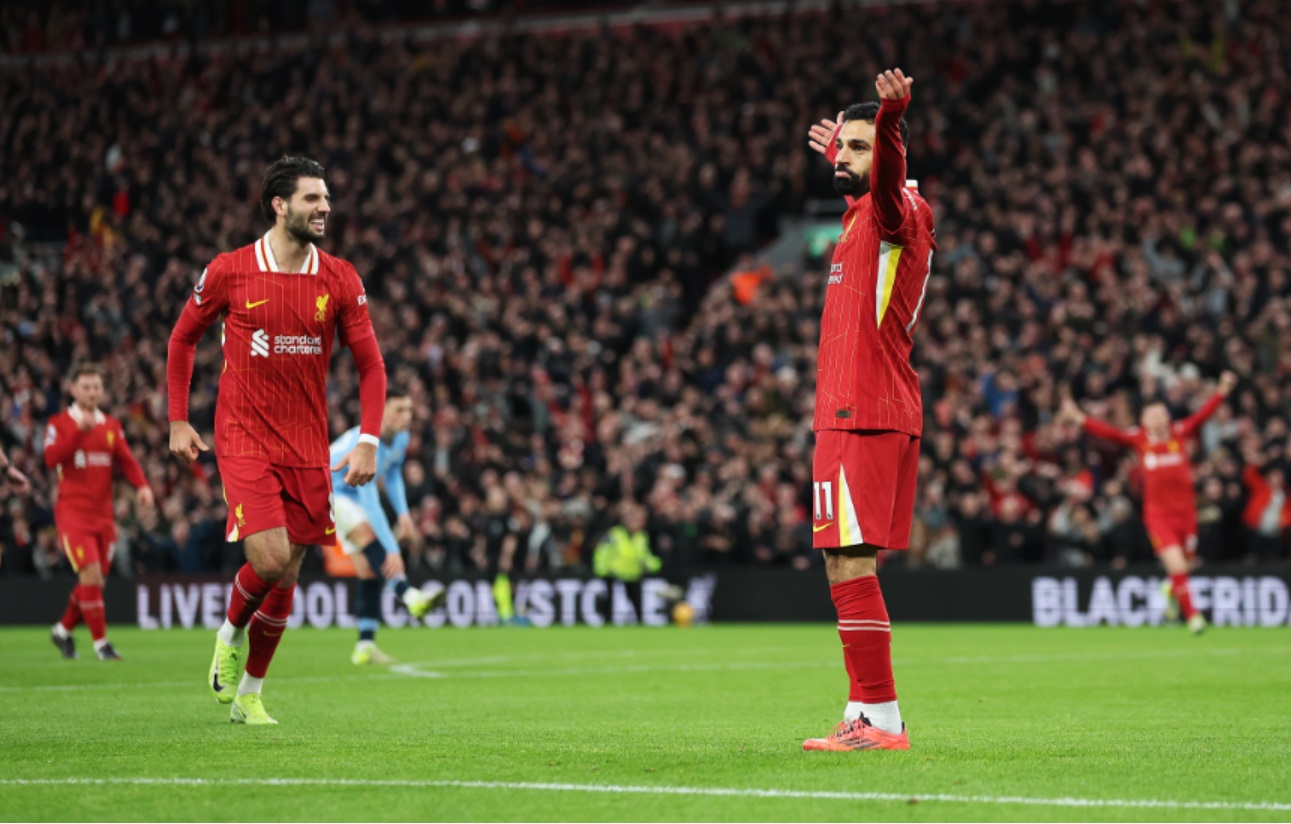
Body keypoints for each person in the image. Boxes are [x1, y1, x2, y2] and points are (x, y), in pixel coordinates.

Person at [167, 156, 387, 725]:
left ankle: (251, 694)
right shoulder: (230, 271)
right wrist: (177, 419)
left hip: (307, 442)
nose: (325, 207)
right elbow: (182, 339)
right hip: (242, 435)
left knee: (288, 572)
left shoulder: (340, 277)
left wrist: (368, 439)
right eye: (313, 198)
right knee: (266, 558)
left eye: (327, 198)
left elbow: (371, 365)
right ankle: (228, 632)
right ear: (279, 204)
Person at [798, 68, 936, 751]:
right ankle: (864, 710)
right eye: (839, 149)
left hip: (866, 410)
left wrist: (889, 122)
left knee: (849, 558)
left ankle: (881, 719)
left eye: (857, 148)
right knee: (841, 561)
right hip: (845, 412)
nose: (843, 158)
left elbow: (885, 183)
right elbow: (864, 181)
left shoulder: (899, 213)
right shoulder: (858, 219)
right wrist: (848, 149)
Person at [1059, 370, 1237, 634]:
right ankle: (1193, 617)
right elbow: (1108, 432)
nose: (1158, 417)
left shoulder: (1179, 433)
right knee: (1176, 565)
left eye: (1162, 413)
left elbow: (1202, 415)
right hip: (1158, 515)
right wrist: (1079, 417)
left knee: (1184, 567)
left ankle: (1170, 590)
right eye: (1152, 414)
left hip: (1186, 513)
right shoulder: (1139, 440)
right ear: (1144, 420)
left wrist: (1222, 389)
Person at [43, 363, 155, 660]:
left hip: (103, 516)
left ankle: (62, 631)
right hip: (73, 513)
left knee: (93, 583)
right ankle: (101, 645)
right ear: (73, 389)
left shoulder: (111, 426)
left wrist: (142, 486)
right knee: (91, 577)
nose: (92, 392)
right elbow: (50, 457)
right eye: (86, 387)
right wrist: (77, 434)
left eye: (96, 387)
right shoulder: (59, 423)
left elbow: (128, 460)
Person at [329, 388, 441, 665]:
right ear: (381, 410)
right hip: (328, 490)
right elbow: (371, 503)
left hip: (352, 493)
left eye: (410, 410)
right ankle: (410, 595)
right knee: (371, 538)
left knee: (369, 572)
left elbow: (392, 475)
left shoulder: (401, 437)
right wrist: (392, 549)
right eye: (399, 410)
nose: (407, 417)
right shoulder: (367, 443)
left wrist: (404, 514)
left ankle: (365, 645)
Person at [593, 501, 663, 623]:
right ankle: (607, 623)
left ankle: (640, 623)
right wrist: (601, 568)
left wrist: (655, 564)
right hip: (613, 573)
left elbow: (644, 555)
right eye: (635, 520)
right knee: (610, 600)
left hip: (632, 573)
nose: (638, 524)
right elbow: (602, 552)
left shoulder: (641, 536)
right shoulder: (615, 534)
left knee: (636, 600)